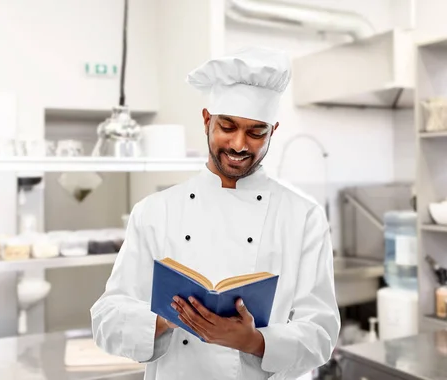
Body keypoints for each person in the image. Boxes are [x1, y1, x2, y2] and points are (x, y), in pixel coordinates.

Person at [90, 46, 341, 380]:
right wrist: (167, 317)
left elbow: (321, 333)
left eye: (256, 132)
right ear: (207, 120)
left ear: (273, 132)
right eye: (227, 126)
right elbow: (106, 318)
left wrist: (255, 341)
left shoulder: (303, 217)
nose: (239, 144)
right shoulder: (155, 211)